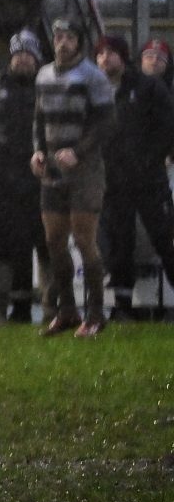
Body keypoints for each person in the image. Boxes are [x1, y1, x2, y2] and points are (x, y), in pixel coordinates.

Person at [30, 17, 114, 337]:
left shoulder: (93, 76)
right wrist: (37, 151)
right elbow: (38, 120)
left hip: (85, 171)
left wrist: (79, 151)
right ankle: (66, 309)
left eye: (68, 37)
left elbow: (107, 123)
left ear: (79, 42)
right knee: (53, 241)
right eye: (58, 36)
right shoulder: (43, 74)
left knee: (83, 240)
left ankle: (94, 314)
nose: (62, 42)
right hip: (52, 169)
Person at [96, 34, 174, 325]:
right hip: (114, 181)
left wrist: (149, 159)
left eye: (112, 53)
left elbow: (168, 126)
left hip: (149, 179)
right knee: (119, 242)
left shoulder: (148, 87)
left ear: (124, 56)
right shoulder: (94, 88)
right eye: (101, 53)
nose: (106, 59)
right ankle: (122, 306)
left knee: (166, 238)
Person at [0, 29, 45, 325]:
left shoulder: (48, 86)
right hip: (2, 182)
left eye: (28, 54)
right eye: (18, 54)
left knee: (44, 244)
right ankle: (0, 311)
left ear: (37, 57)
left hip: (41, 181)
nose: (23, 59)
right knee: (2, 246)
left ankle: (50, 309)